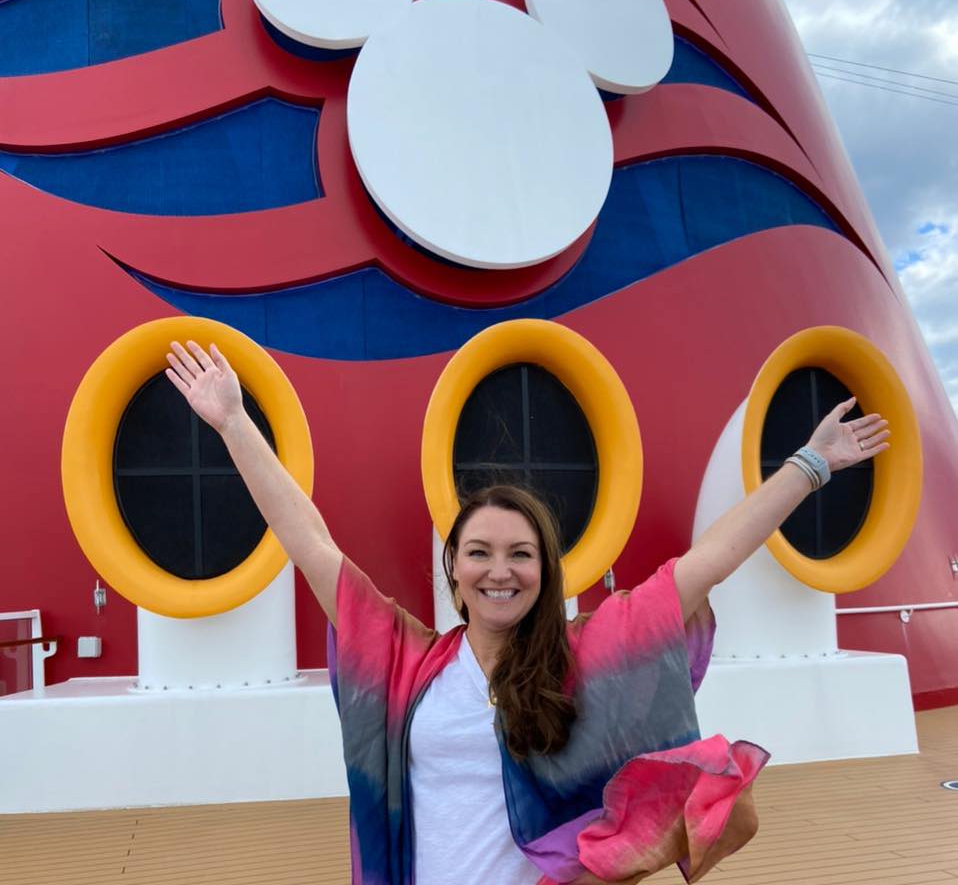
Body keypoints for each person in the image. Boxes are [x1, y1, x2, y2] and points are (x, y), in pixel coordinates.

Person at [165, 339, 890, 885]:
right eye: (479, 552)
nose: (499, 571)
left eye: (521, 554)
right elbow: (309, 541)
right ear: (453, 567)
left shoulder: (585, 655)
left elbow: (709, 561)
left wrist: (811, 464)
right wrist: (233, 422)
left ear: (546, 571)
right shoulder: (407, 664)